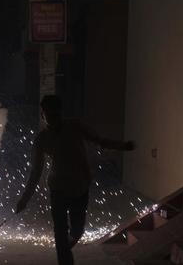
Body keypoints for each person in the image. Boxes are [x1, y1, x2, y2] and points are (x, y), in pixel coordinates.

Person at [15, 95, 134, 265]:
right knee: (60, 233)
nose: (50, 117)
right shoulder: (42, 139)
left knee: (77, 230)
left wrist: (122, 146)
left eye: (53, 113)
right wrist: (24, 199)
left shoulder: (75, 126)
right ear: (43, 115)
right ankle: (64, 255)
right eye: (47, 114)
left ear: (60, 113)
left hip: (80, 187)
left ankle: (65, 247)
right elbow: (36, 172)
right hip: (58, 190)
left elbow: (99, 141)